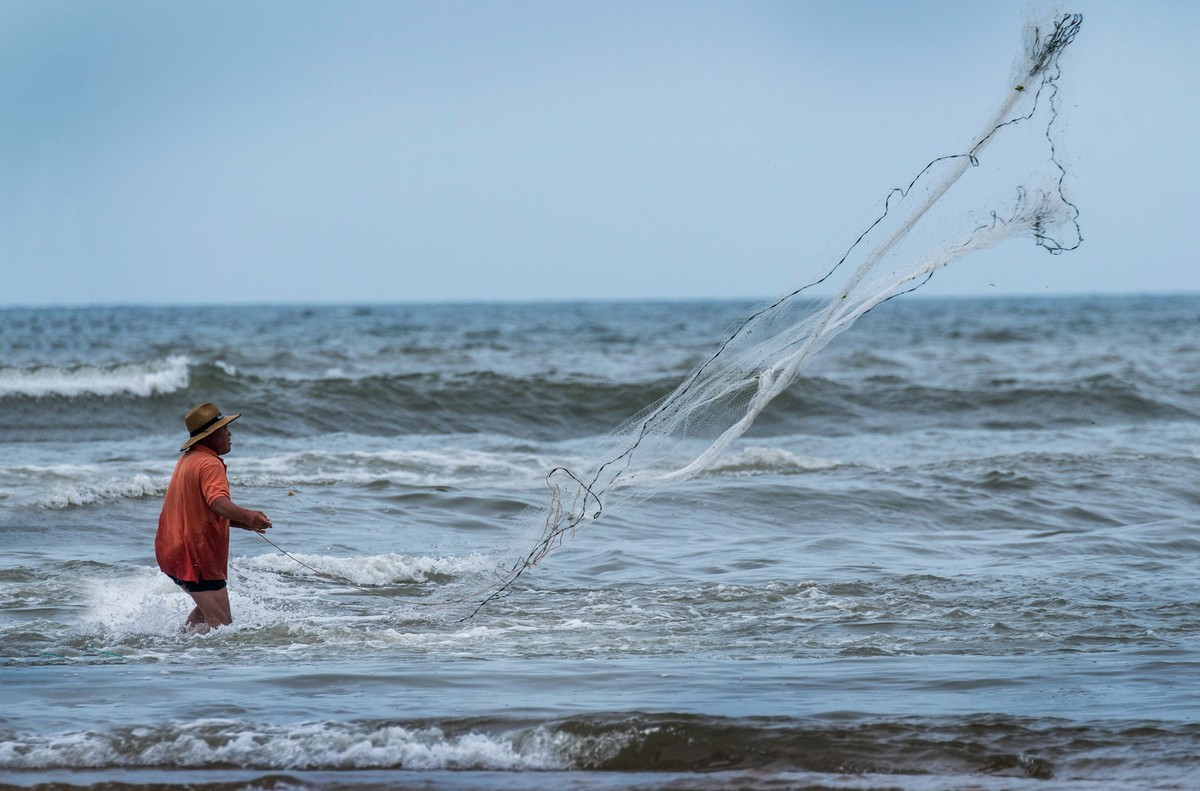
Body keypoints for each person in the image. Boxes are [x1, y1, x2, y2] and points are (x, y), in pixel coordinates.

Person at [155, 402, 273, 632]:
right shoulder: (209, 464)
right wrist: (249, 516)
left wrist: (241, 523)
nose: (229, 434)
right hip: (196, 556)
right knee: (223, 627)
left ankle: (174, 650)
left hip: (174, 550)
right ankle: (197, 662)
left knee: (205, 615)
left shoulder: (188, 460)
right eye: (224, 429)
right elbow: (217, 503)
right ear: (210, 436)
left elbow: (200, 510)